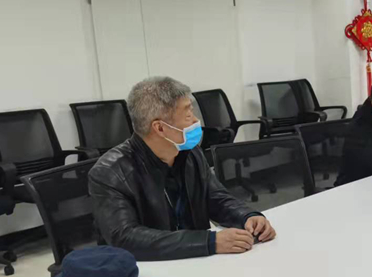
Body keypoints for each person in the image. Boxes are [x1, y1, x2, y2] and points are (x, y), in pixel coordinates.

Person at [89, 76, 276, 261]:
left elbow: (216, 198)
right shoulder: (110, 172)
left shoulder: (190, 153)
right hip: (145, 270)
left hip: (194, 261)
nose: (196, 121)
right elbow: (125, 238)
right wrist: (209, 241)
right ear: (160, 128)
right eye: (188, 115)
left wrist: (247, 217)